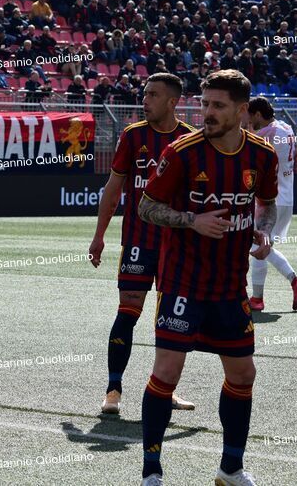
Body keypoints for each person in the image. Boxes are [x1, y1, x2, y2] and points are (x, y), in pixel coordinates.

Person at [137, 70, 277, 486]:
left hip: (230, 287)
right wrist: (191, 220)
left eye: (218, 105)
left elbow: (267, 204)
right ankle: (151, 473)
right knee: (167, 372)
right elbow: (146, 207)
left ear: (242, 110)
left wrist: (263, 231)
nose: (207, 113)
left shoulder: (262, 155)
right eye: (204, 104)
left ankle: (230, 468)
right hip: (182, 281)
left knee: (243, 375)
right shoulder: (182, 152)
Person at [89, 73, 197, 416]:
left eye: (152, 95)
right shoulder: (133, 135)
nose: (144, 100)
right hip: (138, 241)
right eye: (144, 93)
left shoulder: (190, 140)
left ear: (172, 102)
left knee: (172, 321)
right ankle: (113, 389)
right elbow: (113, 188)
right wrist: (99, 235)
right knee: (127, 313)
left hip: (176, 247)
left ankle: (166, 389)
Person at [247, 97, 297, 312]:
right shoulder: (286, 127)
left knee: (258, 245)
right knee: (263, 245)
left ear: (257, 114)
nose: (248, 121)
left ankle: (258, 298)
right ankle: (294, 282)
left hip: (270, 198)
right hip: (286, 196)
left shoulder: (266, 134)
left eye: (249, 116)